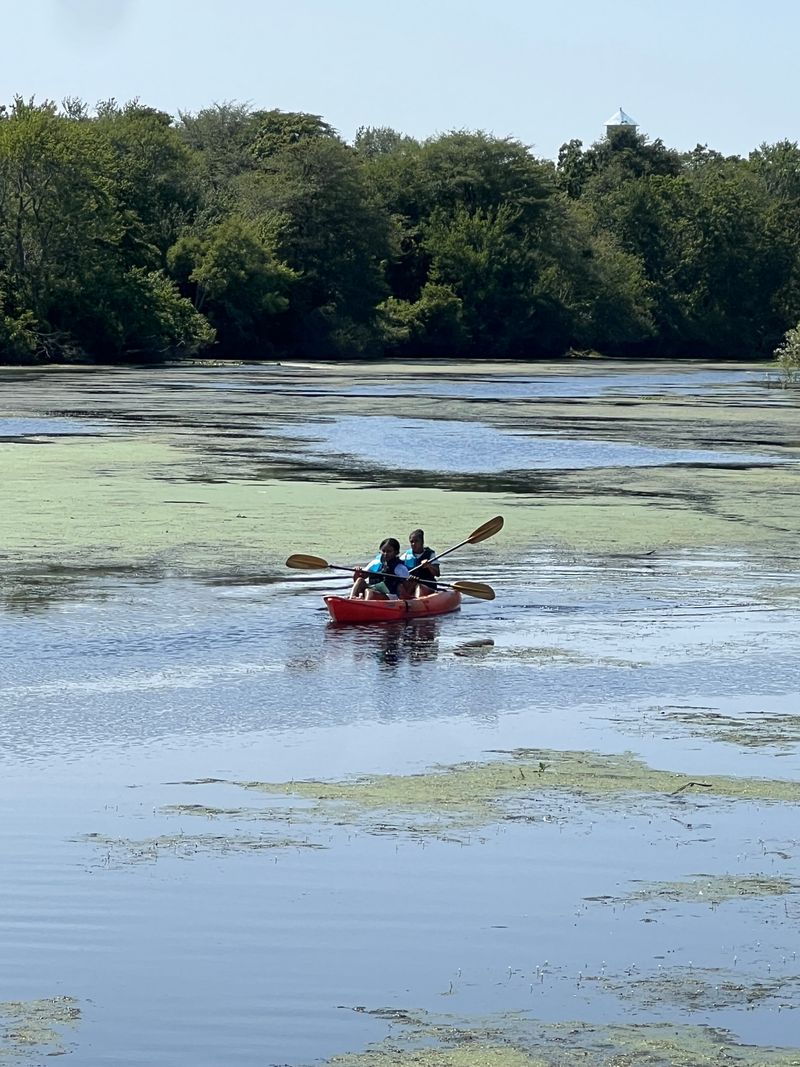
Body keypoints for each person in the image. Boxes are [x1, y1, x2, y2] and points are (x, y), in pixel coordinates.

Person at [402, 528, 440, 598]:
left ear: (422, 542)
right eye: (411, 542)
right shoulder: (406, 555)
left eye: (416, 541)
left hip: (428, 585)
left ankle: (417, 601)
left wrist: (429, 566)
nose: (413, 544)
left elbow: (437, 574)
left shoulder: (430, 554)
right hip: (411, 585)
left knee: (419, 587)